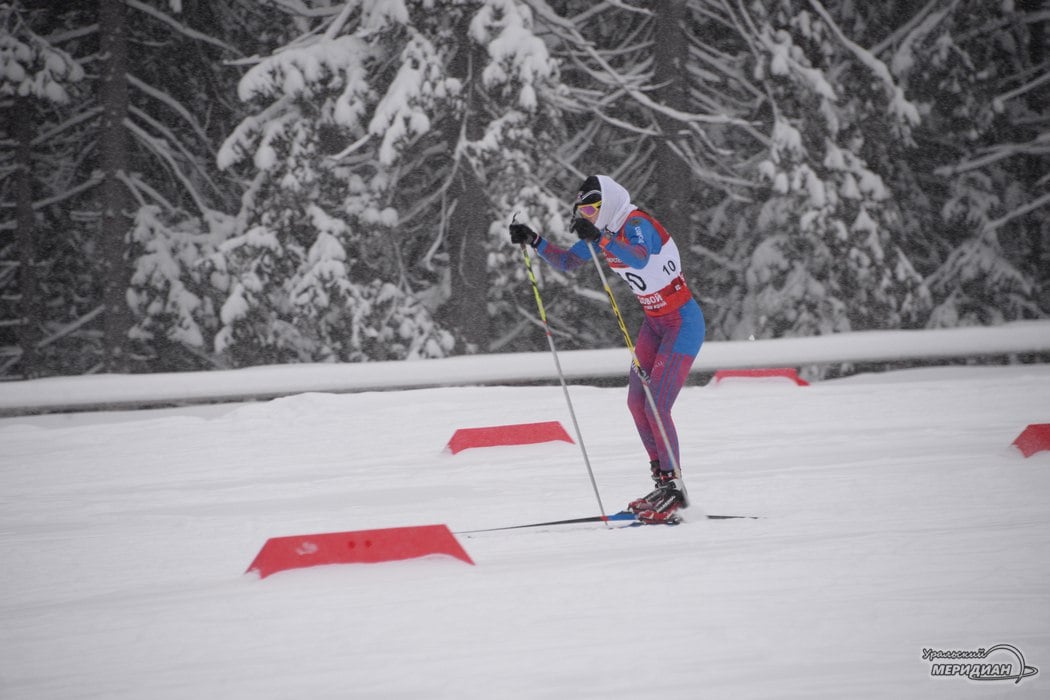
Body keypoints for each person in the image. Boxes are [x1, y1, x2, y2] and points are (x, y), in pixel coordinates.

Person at [509, 175, 705, 522]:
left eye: (592, 209)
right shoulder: (604, 232)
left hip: (682, 322)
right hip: (655, 323)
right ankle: (661, 482)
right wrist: (534, 240)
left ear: (609, 204)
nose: (587, 216)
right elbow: (569, 262)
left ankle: (675, 488)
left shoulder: (635, 222)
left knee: (657, 403)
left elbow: (641, 259)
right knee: (635, 401)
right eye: (582, 210)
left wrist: (602, 237)